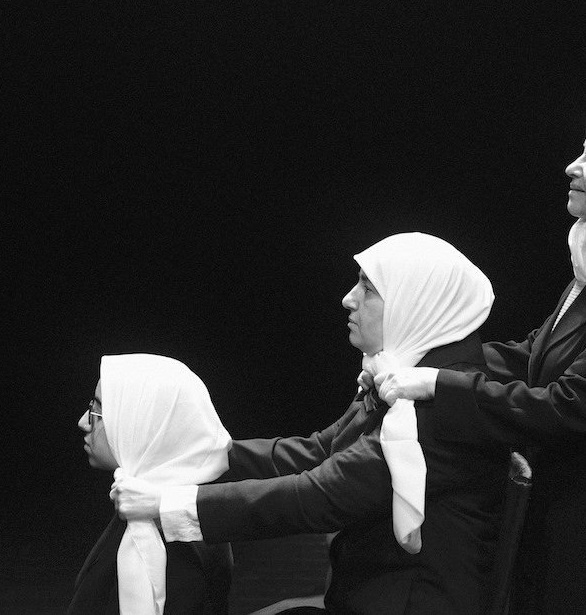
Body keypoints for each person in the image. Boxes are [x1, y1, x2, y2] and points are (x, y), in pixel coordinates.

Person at [375, 112, 586, 613]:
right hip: (579, 517)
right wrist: (420, 355)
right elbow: (534, 355)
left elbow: (569, 405)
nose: (573, 167)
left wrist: (437, 383)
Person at [111, 232, 510, 615]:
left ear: (415, 304)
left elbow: (319, 496)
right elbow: (320, 451)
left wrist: (167, 505)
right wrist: (192, 451)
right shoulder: (403, 374)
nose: (348, 299)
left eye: (368, 289)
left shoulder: (437, 403)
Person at [69, 354, 235, 615]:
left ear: (143, 425)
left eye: (99, 411)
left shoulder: (173, 538)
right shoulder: (141, 505)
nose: (84, 421)